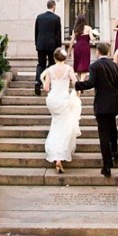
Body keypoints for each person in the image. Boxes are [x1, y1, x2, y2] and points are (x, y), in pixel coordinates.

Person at [74, 41, 118, 178]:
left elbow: (91, 83)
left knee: (103, 134)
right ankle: (114, 151)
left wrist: (77, 85)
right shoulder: (115, 66)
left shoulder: (95, 66)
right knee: (113, 127)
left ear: (98, 51)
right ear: (108, 52)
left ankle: (107, 165)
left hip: (102, 104)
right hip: (114, 103)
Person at [41, 47, 82, 175]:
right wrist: (77, 93)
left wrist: (44, 83)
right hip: (64, 99)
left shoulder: (50, 70)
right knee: (64, 125)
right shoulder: (69, 69)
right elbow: (76, 83)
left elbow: (47, 88)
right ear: (65, 58)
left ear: (54, 57)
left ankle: (56, 154)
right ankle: (60, 154)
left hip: (53, 100)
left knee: (57, 123)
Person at [34, 0, 62, 96]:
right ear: (53, 7)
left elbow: (36, 32)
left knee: (41, 64)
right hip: (52, 45)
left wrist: (36, 44)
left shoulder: (39, 17)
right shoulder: (56, 18)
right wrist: (59, 48)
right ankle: (48, 83)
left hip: (40, 44)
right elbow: (58, 34)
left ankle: (38, 82)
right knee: (51, 64)